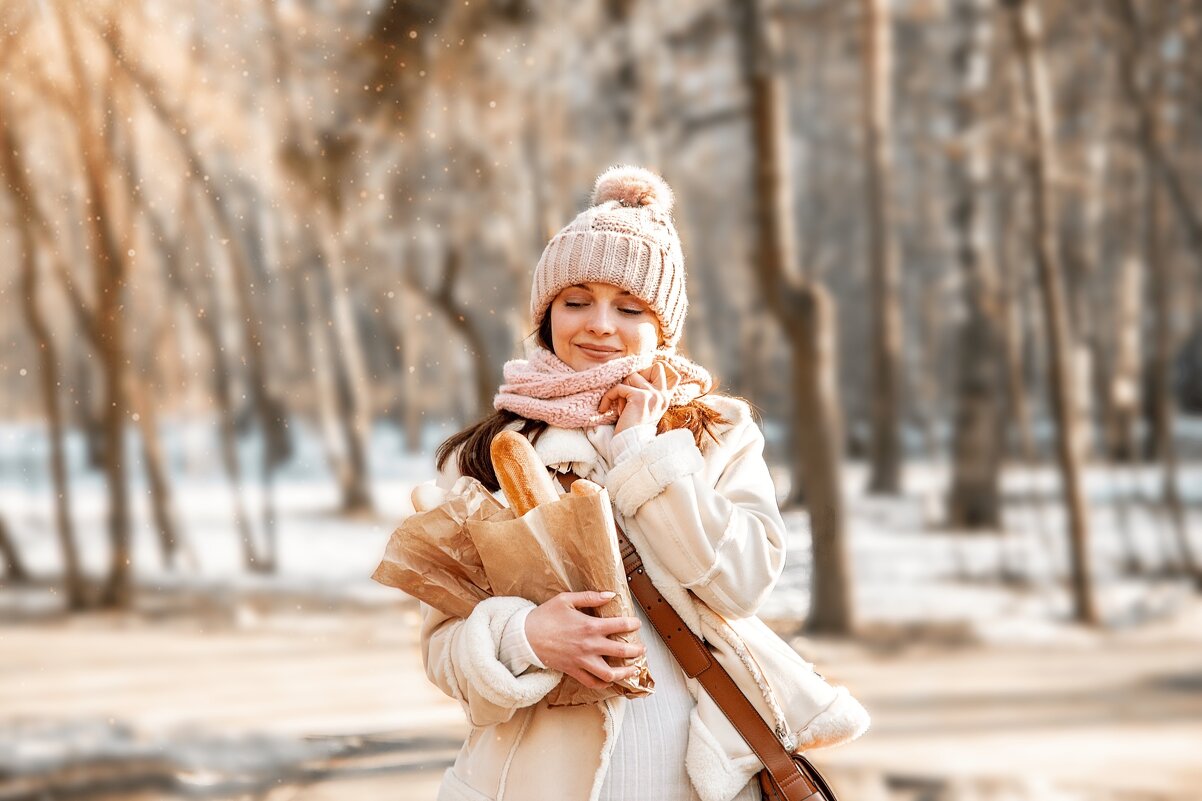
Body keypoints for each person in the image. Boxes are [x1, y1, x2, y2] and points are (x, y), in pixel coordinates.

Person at [420, 165, 868, 801]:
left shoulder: (716, 435)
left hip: (698, 779)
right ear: (546, 317)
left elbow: (739, 584)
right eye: (575, 302)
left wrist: (643, 454)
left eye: (629, 308)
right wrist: (525, 637)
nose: (600, 325)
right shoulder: (484, 457)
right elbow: (442, 644)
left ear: (664, 328)